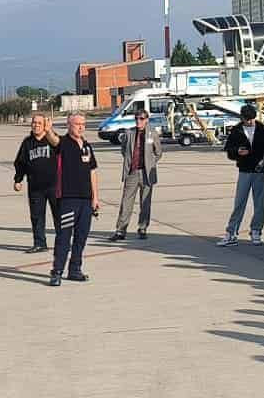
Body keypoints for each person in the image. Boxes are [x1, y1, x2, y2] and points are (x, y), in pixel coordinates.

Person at [48, 114, 100, 286]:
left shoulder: (87, 146)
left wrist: (95, 197)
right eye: (77, 124)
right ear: (69, 125)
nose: (81, 127)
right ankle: (57, 271)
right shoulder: (63, 143)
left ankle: (75, 269)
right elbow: (53, 140)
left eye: (83, 124)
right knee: (64, 236)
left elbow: (93, 171)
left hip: (86, 200)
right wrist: (48, 129)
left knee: (81, 236)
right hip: (68, 200)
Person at [219, 105, 264, 246]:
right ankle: (231, 232)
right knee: (239, 202)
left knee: (259, 203)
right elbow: (229, 150)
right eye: (247, 119)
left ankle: (256, 230)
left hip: (259, 171)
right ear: (242, 118)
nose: (250, 122)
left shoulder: (263, 129)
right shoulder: (236, 130)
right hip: (244, 170)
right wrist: (237, 152)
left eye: (252, 119)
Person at [109, 108, 161, 242]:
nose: (138, 121)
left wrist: (149, 163)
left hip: (146, 174)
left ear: (146, 120)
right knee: (126, 202)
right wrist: (131, 164)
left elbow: (158, 153)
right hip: (132, 172)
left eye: (141, 118)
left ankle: (142, 228)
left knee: (145, 203)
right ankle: (120, 230)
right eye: (136, 118)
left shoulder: (153, 133)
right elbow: (124, 150)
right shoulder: (129, 133)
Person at [12, 115, 61, 253]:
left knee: (59, 215)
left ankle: (62, 242)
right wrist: (18, 180)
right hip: (35, 187)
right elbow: (20, 162)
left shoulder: (52, 140)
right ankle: (40, 243)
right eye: (34, 123)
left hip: (54, 186)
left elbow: (63, 152)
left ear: (45, 125)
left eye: (39, 123)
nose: (36, 125)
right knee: (36, 216)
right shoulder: (27, 143)